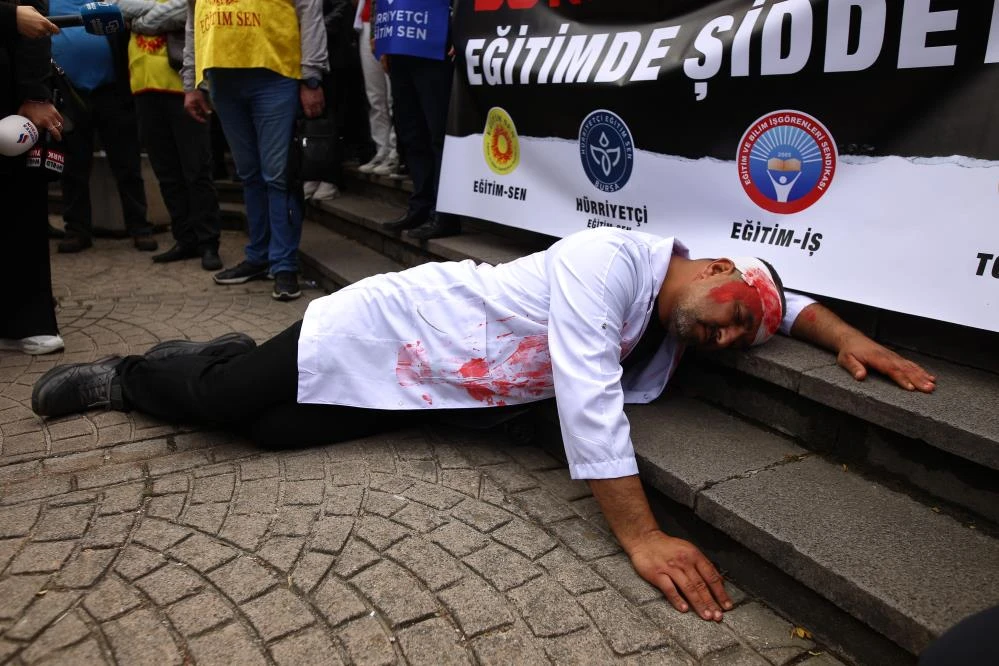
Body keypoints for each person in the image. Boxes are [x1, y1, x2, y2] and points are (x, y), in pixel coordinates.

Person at [31, 228, 936, 620]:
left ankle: (224, 356)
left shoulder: (697, 305)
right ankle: (134, 375)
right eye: (736, 308)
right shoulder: (610, 259)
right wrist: (642, 536)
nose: (732, 332)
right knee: (228, 406)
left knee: (273, 433)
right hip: (388, 323)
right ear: (713, 262)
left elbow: (791, 301)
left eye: (745, 337)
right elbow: (584, 390)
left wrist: (853, 340)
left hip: (434, 386)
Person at [181, 0, 328, 300]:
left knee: (278, 176)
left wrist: (311, 75)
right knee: (249, 174)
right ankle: (259, 256)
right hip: (222, 79)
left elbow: (309, 9)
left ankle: (284, 265)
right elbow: (193, 19)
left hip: (275, 75)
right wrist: (190, 82)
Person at [115, 0, 222, 271]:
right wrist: (153, 14)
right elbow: (117, 6)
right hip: (143, 87)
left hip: (183, 88)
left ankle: (208, 242)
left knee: (196, 170)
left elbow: (185, 9)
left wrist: (141, 21)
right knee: (167, 173)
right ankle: (184, 239)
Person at [51, 0, 158, 254]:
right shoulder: (46, 3)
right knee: (73, 169)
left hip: (112, 93)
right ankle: (77, 231)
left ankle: (139, 228)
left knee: (127, 164)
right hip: (69, 95)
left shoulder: (111, 0)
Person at [0, 0, 65, 356]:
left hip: (9, 97)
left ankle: (25, 322)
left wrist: (35, 92)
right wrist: (8, 17)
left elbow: (34, 16)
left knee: (19, 204)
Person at [374, 0, 461, 240]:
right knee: (412, 132)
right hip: (402, 44)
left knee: (437, 133)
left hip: (434, 40)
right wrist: (382, 39)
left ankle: (445, 213)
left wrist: (460, 29)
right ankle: (420, 206)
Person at [353, 0, 396, 176]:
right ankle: (382, 149)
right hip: (368, 21)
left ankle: (396, 151)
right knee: (375, 95)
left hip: (394, 20)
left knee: (392, 95)